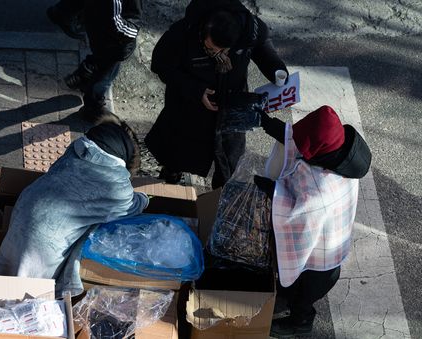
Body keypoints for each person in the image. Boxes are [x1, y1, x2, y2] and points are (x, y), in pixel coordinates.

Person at [0, 112, 149, 297]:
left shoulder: (77, 148)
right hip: (45, 236)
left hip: (26, 206)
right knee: (27, 295)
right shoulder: (118, 186)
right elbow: (132, 207)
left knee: (10, 267)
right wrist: (144, 197)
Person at [254, 106, 372, 337]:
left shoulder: (321, 193)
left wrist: (268, 188)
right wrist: (267, 122)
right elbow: (299, 139)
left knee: (303, 296)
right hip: (330, 242)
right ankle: (287, 300)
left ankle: (300, 323)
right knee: (294, 288)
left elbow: (292, 213)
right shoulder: (340, 151)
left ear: (317, 153)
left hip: (321, 260)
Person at [145, 0, 288, 189]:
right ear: (204, 30)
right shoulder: (183, 33)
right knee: (178, 152)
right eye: (212, 49)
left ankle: (219, 198)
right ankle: (171, 177)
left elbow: (262, 48)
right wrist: (195, 90)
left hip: (232, 107)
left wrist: (277, 70)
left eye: (224, 50)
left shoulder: (249, 31)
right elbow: (161, 66)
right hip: (189, 108)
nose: (218, 54)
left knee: (229, 163)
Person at [47, 0, 142, 122]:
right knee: (106, 74)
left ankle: (85, 74)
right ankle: (93, 107)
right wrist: (133, 32)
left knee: (102, 58)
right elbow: (115, 24)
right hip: (113, 40)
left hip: (100, 29)